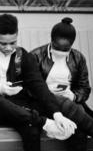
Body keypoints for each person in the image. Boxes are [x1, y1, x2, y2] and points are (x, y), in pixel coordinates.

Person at [0, 14, 93, 151]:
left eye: (13, 42)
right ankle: (44, 122)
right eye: (3, 43)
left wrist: (57, 114)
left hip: (20, 108)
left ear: (17, 35)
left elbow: (38, 85)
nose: (9, 47)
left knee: (62, 105)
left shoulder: (23, 55)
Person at [31, 17, 92, 151]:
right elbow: (30, 88)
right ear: (51, 40)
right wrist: (46, 92)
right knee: (77, 121)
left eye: (66, 49)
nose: (61, 51)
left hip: (71, 103)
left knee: (78, 130)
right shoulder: (36, 56)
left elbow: (84, 88)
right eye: (57, 47)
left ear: (71, 45)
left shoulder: (78, 58)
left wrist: (73, 96)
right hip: (45, 103)